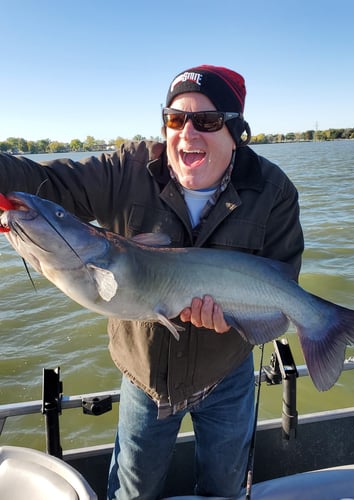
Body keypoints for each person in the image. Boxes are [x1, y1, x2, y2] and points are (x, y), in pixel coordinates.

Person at [0, 65, 304, 499]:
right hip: (145, 377)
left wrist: (235, 319)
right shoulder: (129, 168)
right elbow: (47, 183)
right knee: (132, 492)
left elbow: (282, 280)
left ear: (236, 130)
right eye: (175, 119)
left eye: (209, 121)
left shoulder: (272, 190)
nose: (188, 134)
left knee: (225, 489)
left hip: (227, 373)